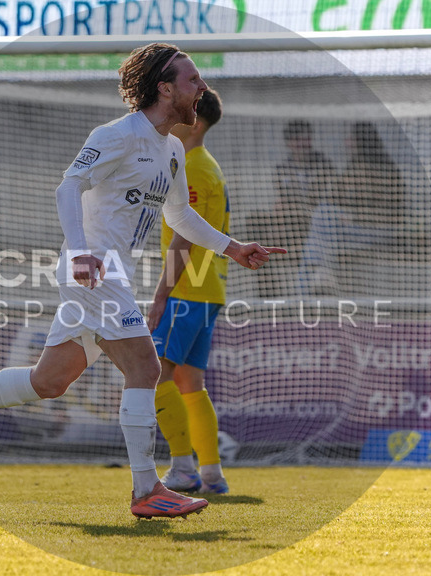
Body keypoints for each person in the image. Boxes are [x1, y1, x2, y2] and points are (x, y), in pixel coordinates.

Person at [0, 44, 285, 519]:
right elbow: (68, 185)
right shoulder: (117, 134)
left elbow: (180, 214)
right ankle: (147, 489)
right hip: (92, 272)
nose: (202, 89)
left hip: (106, 274)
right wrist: (81, 251)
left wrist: (232, 247)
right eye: (193, 81)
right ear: (165, 88)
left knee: (49, 381)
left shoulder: (172, 150)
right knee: (147, 369)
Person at [146, 88, 230, 495]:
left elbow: (185, 238)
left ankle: (182, 467)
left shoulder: (193, 167)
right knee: (191, 385)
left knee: (152, 373)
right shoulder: (204, 164)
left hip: (188, 288)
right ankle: (211, 472)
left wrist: (162, 293)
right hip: (206, 288)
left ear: (193, 122)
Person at [300, 121, 404, 295]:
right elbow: (334, 198)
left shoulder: (384, 170)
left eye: (351, 137)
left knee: (322, 220)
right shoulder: (353, 166)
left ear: (360, 140)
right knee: (322, 218)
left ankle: (305, 290)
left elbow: (390, 213)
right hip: (353, 229)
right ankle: (318, 277)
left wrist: (354, 217)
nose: (346, 141)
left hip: (379, 231)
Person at [252, 119, 337, 298]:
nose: (303, 144)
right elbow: (282, 197)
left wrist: (296, 204)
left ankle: (310, 287)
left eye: (306, 139)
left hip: (315, 222)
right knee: (258, 231)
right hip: (291, 223)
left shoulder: (324, 165)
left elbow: (327, 196)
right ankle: (268, 294)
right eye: (298, 140)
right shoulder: (283, 169)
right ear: (290, 143)